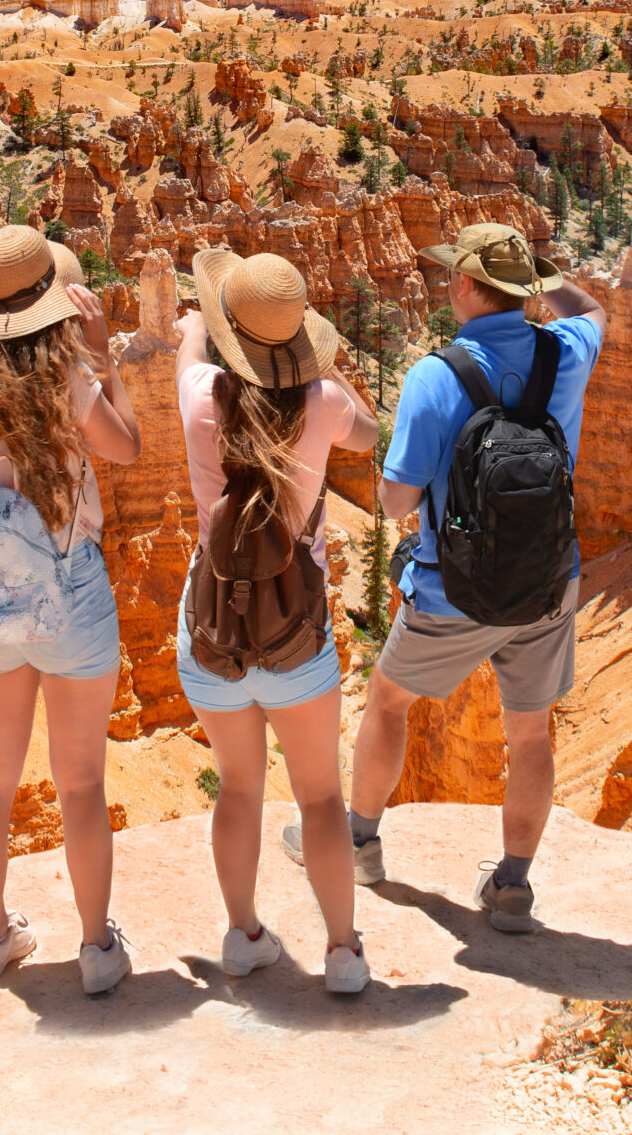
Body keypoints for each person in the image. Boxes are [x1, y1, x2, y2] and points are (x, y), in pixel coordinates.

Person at [286, 221, 604, 934]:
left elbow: (396, 499)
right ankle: (513, 886)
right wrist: (545, 277)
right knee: (530, 735)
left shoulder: (438, 372)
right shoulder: (568, 350)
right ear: (524, 289)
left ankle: (359, 842)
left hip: (452, 590)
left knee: (389, 699)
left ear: (462, 284)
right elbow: (592, 311)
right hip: (548, 581)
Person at [0, 224, 142, 994]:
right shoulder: (69, 383)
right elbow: (124, 448)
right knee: (81, 782)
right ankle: (95, 951)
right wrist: (103, 356)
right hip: (73, 591)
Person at [173, 249, 382, 995]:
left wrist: (200, 322)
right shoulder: (322, 401)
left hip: (214, 629)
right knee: (321, 797)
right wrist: (323, 365)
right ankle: (343, 954)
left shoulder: (199, 393)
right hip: (298, 632)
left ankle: (243, 935)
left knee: (239, 787)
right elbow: (366, 429)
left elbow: (189, 348)